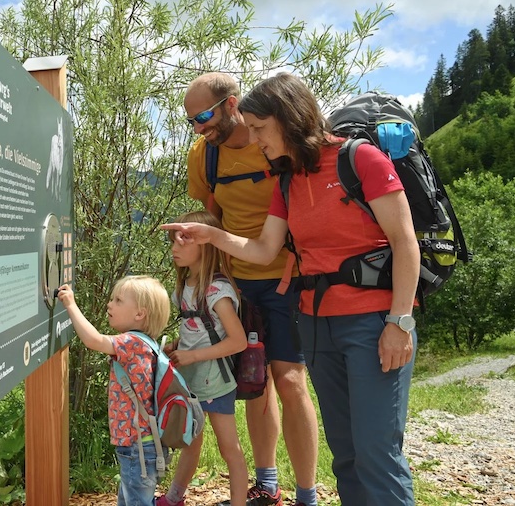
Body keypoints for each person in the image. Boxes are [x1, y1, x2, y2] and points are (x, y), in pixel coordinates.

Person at [163, 72, 420, 506]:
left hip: (371, 319)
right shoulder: (287, 180)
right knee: (347, 454)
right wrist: (210, 238)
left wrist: (400, 321)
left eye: (262, 128)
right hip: (317, 318)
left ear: (288, 118)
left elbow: (404, 241)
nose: (257, 138)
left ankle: (309, 494)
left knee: (376, 452)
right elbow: (263, 247)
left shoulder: (361, 160)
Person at [182, 72, 320, 506]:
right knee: (256, 384)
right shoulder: (203, 157)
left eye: (203, 116)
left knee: (291, 380)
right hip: (235, 285)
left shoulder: (273, 144)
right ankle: (267, 484)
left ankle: (307, 494)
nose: (198, 127)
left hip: (286, 279)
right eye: (191, 121)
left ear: (231, 103)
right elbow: (211, 218)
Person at [157, 210, 249, 506]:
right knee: (189, 442)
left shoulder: (216, 291)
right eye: (173, 242)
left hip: (216, 383)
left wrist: (193, 355)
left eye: (183, 242)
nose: (174, 248)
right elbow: (196, 331)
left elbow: (238, 341)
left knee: (229, 449)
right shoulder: (186, 287)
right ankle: (174, 498)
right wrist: (176, 348)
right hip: (192, 380)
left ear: (205, 245)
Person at [55, 275, 172, 506]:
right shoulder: (145, 343)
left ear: (140, 314)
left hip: (137, 448)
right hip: (140, 445)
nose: (109, 304)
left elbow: (94, 340)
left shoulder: (132, 343)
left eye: (118, 300)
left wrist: (70, 304)